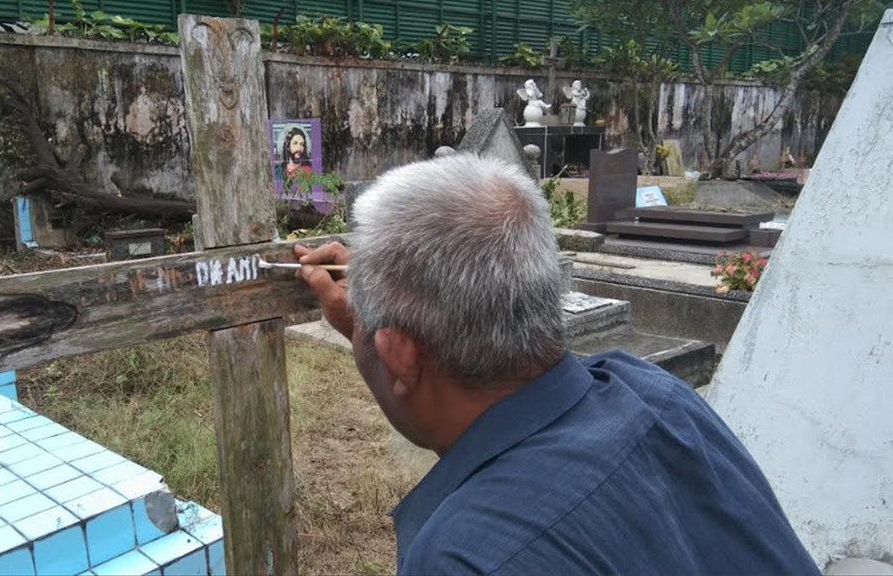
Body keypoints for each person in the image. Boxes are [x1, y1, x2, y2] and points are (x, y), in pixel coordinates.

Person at [294, 154, 819, 575]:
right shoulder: (656, 394)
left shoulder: (463, 555)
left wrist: (382, 338)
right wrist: (370, 331)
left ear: (401, 355)